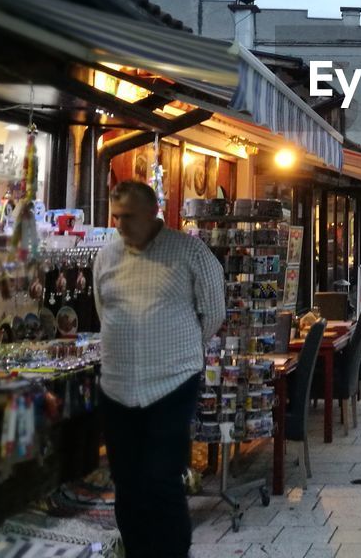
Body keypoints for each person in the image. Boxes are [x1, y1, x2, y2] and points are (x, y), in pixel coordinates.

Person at [94, 181, 225, 558]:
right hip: (117, 387)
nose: (120, 225)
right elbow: (105, 312)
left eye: (129, 217)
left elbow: (214, 313)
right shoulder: (106, 256)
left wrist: (178, 348)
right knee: (127, 482)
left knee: (161, 478)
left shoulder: (189, 251)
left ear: (154, 213)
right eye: (117, 216)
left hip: (171, 384)